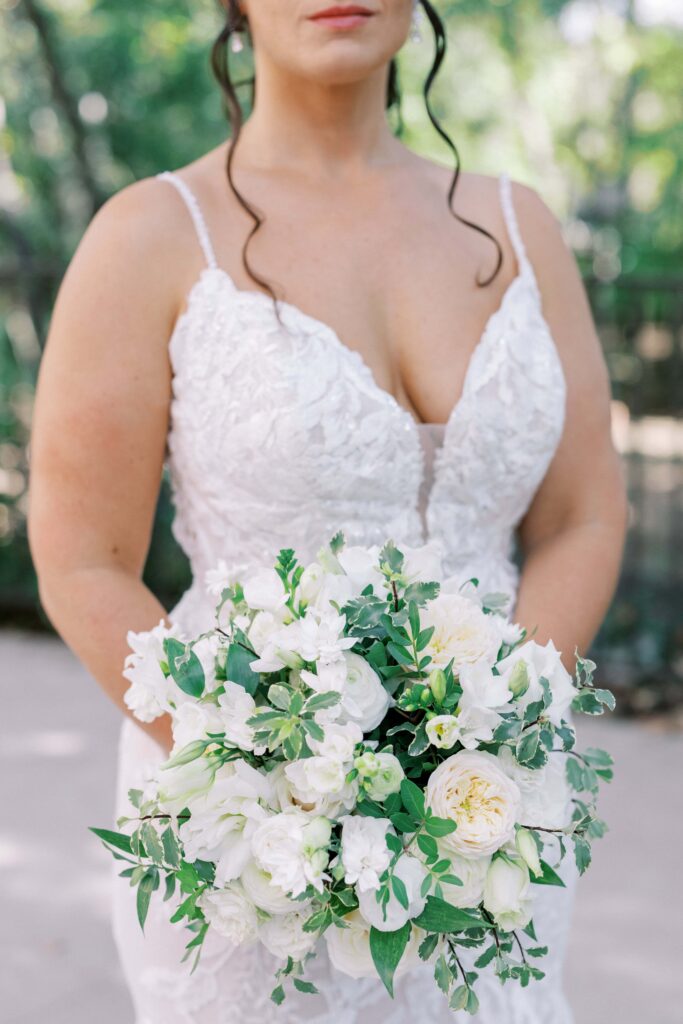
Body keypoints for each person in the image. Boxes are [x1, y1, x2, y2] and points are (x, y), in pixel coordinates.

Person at [28, 1, 627, 1021]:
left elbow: (581, 513)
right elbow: (83, 557)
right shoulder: (150, 235)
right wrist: (272, 778)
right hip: (251, 855)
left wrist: (488, 741)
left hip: (489, 832)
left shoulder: (519, 227)